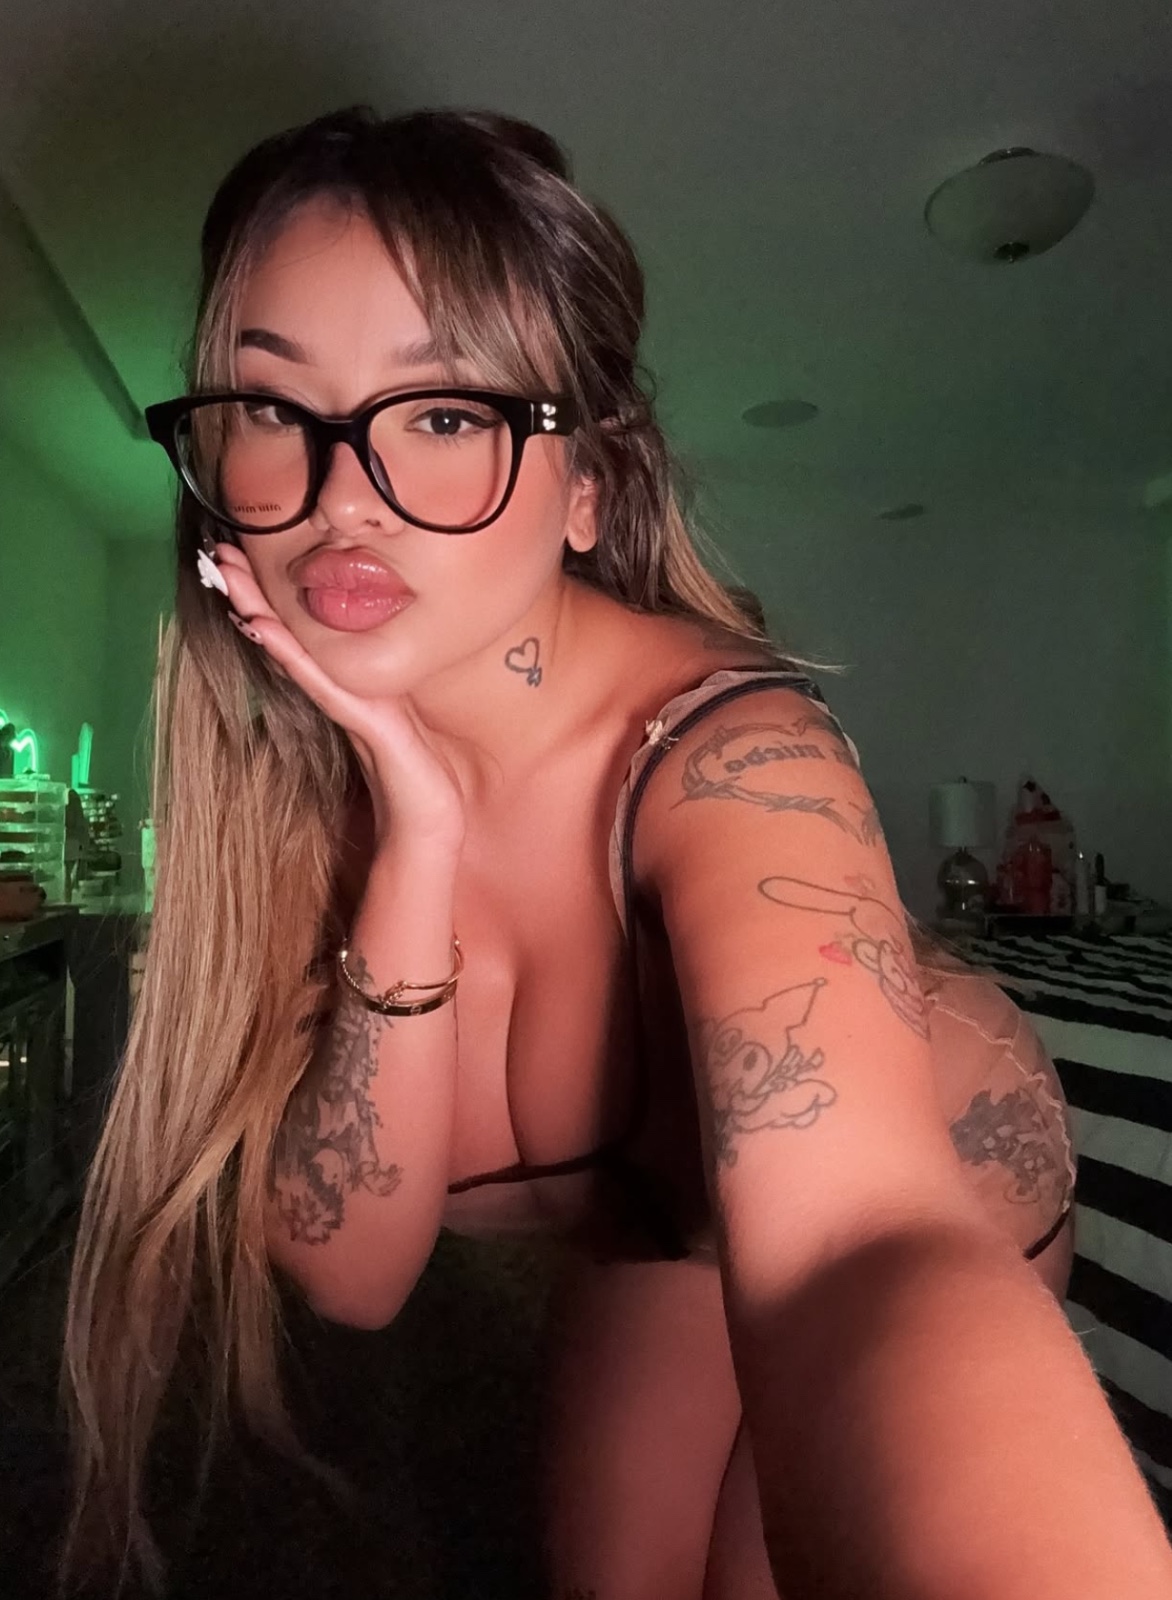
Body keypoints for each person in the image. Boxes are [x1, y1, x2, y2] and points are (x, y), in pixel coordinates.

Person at [62, 107, 1172, 1599]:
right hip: (659, 1229)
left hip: (941, 1178)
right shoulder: (287, 792)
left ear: (586, 483)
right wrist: (415, 843)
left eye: (443, 414)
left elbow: (857, 1250)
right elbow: (350, 1271)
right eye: (273, 408)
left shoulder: (732, 757)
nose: (341, 491)